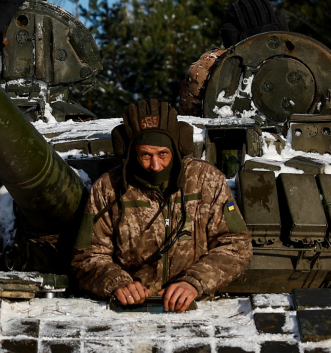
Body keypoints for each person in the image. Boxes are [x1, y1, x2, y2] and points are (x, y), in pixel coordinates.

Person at [71, 99, 252, 312]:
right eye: (145, 155)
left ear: (176, 149)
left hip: (197, 305)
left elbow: (236, 245)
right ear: (131, 153)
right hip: (130, 308)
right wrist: (117, 283)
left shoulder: (206, 181)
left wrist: (194, 282)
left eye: (163, 154)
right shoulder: (108, 188)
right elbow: (87, 256)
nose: (156, 166)